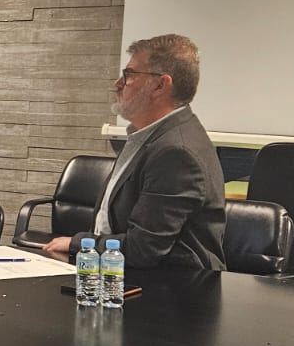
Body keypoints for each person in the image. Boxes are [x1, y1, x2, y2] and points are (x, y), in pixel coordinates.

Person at [42, 33, 227, 269]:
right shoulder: (150, 137)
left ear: (160, 85)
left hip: (172, 293)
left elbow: (143, 249)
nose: (117, 84)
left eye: (129, 75)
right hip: (122, 277)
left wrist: (78, 244)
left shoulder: (176, 153)